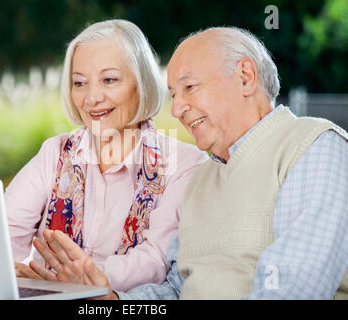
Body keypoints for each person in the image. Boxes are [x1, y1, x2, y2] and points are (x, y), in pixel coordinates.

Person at [25, 26, 348, 300]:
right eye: (174, 94)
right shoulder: (203, 175)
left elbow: (295, 289)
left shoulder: (313, 145)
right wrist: (111, 298)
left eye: (190, 88)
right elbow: (175, 289)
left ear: (246, 77)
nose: (177, 109)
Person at [4, 19, 209, 293]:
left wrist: (70, 280)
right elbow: (5, 233)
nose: (91, 98)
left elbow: (156, 260)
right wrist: (8, 270)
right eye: (79, 83)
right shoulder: (55, 153)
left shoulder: (185, 164)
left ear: (142, 83)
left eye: (109, 80)